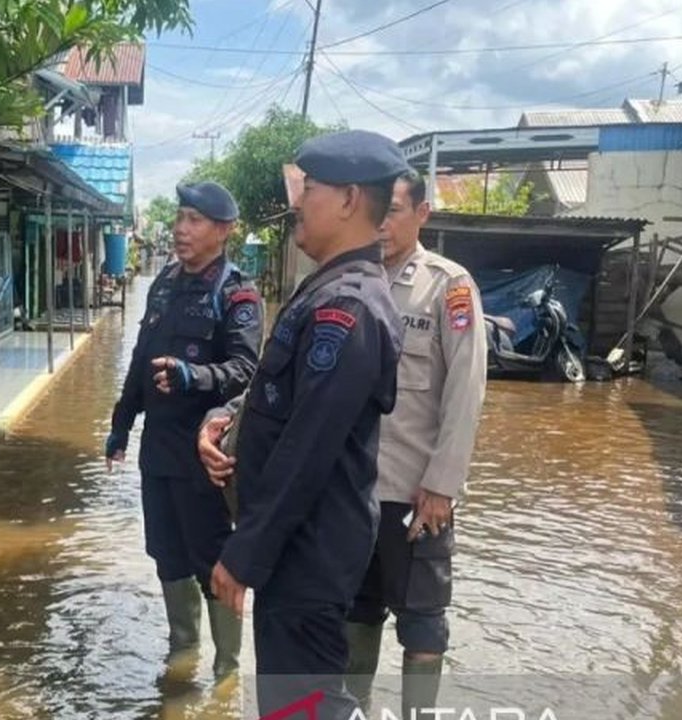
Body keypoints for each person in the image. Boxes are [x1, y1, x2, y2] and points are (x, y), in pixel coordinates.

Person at [201, 130, 407, 718]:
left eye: (309, 189)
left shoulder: (350, 307)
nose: (297, 202)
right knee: (297, 702)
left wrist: (244, 554)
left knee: (305, 705)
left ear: (347, 199)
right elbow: (276, 399)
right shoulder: (325, 288)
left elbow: (307, 447)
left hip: (310, 546)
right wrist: (223, 420)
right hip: (300, 544)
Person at [341, 170, 487, 716]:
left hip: (415, 494)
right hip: (354, 493)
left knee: (423, 622)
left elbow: (465, 394)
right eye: (376, 212)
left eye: (394, 211)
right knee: (356, 610)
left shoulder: (447, 287)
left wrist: (442, 486)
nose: (382, 224)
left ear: (422, 214)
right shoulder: (354, 281)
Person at [104, 181, 263, 681]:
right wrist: (121, 423)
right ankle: (183, 650)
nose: (179, 229)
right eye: (179, 217)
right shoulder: (165, 283)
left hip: (207, 454)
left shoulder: (237, 294)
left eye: (194, 220)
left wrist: (197, 376)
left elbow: (247, 370)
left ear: (224, 231)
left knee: (213, 559)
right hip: (159, 452)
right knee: (167, 554)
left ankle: (227, 670)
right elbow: (138, 361)